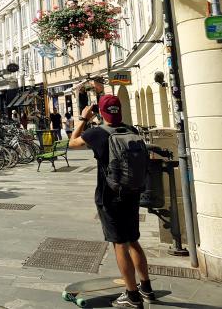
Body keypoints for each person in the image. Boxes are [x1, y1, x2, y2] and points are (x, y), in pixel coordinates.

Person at [68, 95, 154, 308]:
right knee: (133, 240)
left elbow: (72, 143)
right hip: (133, 193)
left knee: (119, 244)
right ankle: (146, 288)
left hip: (110, 197)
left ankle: (132, 296)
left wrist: (83, 118)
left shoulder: (97, 134)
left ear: (102, 113)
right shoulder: (131, 131)